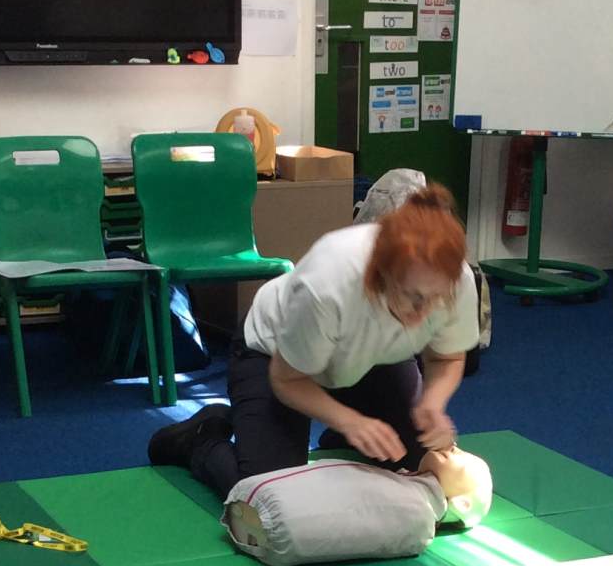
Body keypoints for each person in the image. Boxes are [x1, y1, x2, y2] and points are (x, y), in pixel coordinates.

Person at [147, 183, 480, 496]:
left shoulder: (456, 279)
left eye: (436, 299)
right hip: (275, 356)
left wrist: (432, 403)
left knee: (415, 459)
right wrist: (349, 421)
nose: (424, 314)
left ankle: (344, 442)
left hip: (372, 358)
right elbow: (287, 380)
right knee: (270, 492)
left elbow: (447, 357)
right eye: (414, 298)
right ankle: (200, 441)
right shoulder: (328, 283)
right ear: (382, 276)